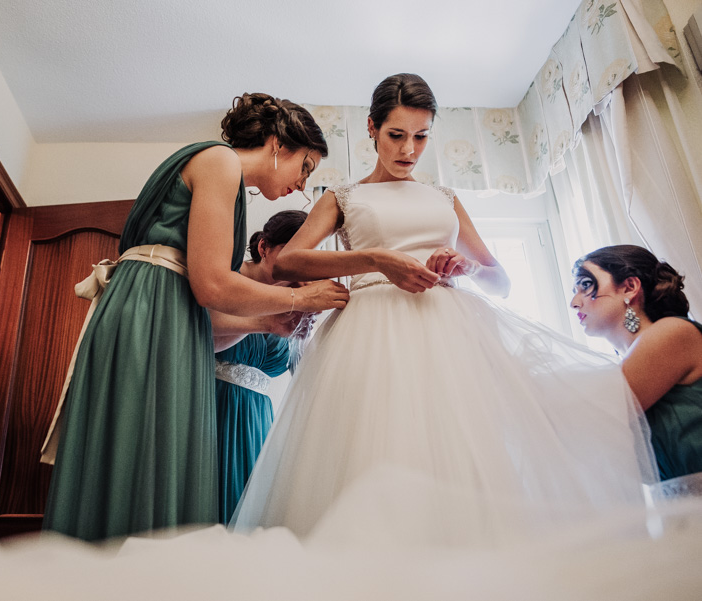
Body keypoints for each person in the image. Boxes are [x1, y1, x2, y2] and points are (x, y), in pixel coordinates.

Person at [230, 74, 657, 541]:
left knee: (458, 450)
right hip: (370, 332)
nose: (408, 150)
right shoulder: (343, 196)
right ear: (371, 128)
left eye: (421, 136)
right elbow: (288, 261)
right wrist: (376, 260)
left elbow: (501, 280)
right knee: (376, 444)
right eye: (396, 135)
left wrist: (465, 267)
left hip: (449, 333)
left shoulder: (444, 197)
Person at [41, 94, 349, 541]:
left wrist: (268, 321)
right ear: (278, 144)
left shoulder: (218, 169)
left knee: (146, 450)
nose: (302, 185)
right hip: (154, 305)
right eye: (305, 167)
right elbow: (213, 287)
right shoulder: (220, 162)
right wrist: (300, 299)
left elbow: (207, 315)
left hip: (160, 307)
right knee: (145, 449)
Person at [211, 210, 309, 523]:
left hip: (256, 417)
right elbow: (201, 332)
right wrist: (265, 319)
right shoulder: (227, 277)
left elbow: (298, 369)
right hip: (214, 406)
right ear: (264, 247)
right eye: (291, 254)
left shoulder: (294, 295)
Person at [572, 245, 702, 480]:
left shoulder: (674, 332)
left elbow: (586, 420)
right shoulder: (620, 369)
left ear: (630, 287)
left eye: (585, 285)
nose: (574, 302)